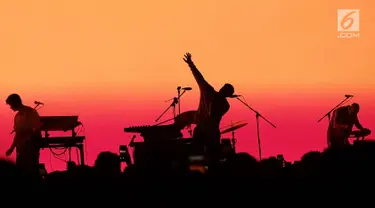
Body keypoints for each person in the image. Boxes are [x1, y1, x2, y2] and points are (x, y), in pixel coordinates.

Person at [183, 53, 235, 162]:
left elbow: (213, 116)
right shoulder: (220, 100)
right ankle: (204, 173)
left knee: (201, 156)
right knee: (207, 156)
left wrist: (191, 64)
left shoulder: (218, 99)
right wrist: (191, 65)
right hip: (209, 131)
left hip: (206, 130)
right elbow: (200, 78)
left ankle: (200, 173)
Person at [5, 93, 42, 175]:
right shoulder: (17, 116)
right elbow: (18, 134)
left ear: (15, 103)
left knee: (31, 169)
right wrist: (12, 148)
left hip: (30, 146)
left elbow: (37, 128)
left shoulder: (30, 112)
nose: (10, 107)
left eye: (11, 105)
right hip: (21, 147)